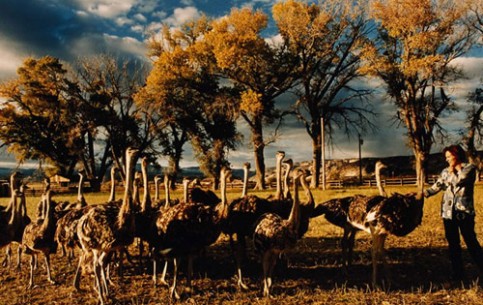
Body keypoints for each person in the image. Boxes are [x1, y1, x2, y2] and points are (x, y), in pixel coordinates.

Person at [424, 144, 483, 282]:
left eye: (449, 157)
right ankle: (458, 275)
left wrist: (450, 172)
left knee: (471, 243)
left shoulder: (469, 169)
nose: (447, 160)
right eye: (446, 157)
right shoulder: (445, 171)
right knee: (453, 245)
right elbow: (437, 186)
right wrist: (422, 194)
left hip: (464, 213)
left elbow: (458, 181)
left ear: (457, 155)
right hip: (448, 214)